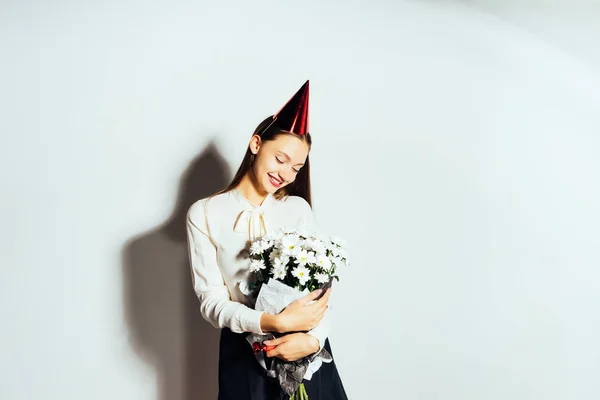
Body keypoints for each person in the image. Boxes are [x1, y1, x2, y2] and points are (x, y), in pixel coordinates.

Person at [186, 80, 348, 399]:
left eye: (297, 168)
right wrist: (271, 321)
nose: (286, 174)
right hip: (245, 353)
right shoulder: (205, 213)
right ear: (257, 144)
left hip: (305, 349)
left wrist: (313, 340)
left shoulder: (297, 209)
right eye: (280, 159)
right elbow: (211, 302)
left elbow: (321, 295)